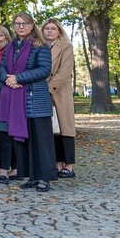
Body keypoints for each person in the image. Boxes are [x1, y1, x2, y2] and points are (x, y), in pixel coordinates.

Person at [0, 12, 56, 192]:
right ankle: (32, 176)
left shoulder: (41, 46)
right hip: (16, 99)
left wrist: (19, 78)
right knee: (25, 141)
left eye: (24, 23)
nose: (20, 27)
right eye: (17, 24)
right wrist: (7, 79)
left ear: (32, 26)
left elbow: (44, 70)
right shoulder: (10, 46)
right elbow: (2, 67)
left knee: (41, 141)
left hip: (35, 99)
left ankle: (44, 178)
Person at [41, 18, 76, 179]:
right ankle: (57, 163)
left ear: (59, 31)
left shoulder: (66, 47)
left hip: (60, 92)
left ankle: (69, 165)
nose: (49, 31)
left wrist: (48, 88)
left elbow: (65, 71)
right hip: (43, 92)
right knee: (52, 130)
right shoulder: (39, 47)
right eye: (46, 28)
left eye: (53, 28)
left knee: (65, 128)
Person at [0, 24, 18, 182]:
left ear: (7, 37)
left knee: (7, 134)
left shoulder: (11, 53)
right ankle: (7, 167)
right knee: (2, 134)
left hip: (9, 98)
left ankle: (6, 170)